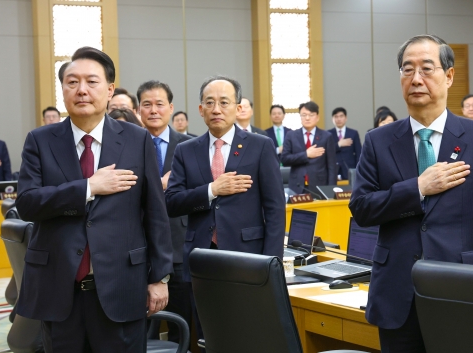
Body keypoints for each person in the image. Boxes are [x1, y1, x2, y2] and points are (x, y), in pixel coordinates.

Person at [349, 34, 473, 353]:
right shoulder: (378, 141)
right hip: (397, 295)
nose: (416, 79)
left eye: (427, 68)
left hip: (464, 291)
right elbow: (361, 208)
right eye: (407, 69)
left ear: (449, 75)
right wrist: (417, 188)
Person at [15, 46, 173, 352]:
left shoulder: (136, 139)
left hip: (122, 287)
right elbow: (28, 203)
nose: (81, 90)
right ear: (63, 89)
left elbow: (155, 211)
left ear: (110, 89)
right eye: (72, 82)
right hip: (59, 288)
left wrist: (160, 277)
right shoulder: (40, 140)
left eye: (91, 81)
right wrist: (88, 187)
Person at [165, 75, 285, 342]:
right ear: (200, 109)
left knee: (248, 335)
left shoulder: (260, 145)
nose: (216, 109)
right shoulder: (186, 150)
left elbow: (275, 209)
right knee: (210, 335)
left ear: (237, 107)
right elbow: (171, 202)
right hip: (202, 259)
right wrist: (212, 190)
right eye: (209, 102)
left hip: (249, 258)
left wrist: (271, 264)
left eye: (223, 102)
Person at [136, 80, 192, 344]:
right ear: (138, 110)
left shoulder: (190, 146)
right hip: (136, 245)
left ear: (171, 108)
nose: (153, 110)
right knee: (138, 328)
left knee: (182, 325)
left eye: (160, 104)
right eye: (147, 104)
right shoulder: (126, 145)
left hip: (179, 245)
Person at [281, 101, 338, 194]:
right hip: (296, 186)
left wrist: (331, 190)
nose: (307, 118)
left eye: (311, 115)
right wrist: (306, 154)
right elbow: (284, 159)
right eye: (304, 115)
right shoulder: (291, 135)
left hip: (319, 185)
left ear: (317, 117)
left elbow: (332, 166)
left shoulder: (327, 136)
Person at [329, 107, 362, 180]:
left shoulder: (353, 133)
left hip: (349, 169)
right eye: (336, 117)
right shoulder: (328, 134)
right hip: (334, 170)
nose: (339, 119)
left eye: (341, 116)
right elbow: (326, 151)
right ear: (332, 119)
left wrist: (357, 170)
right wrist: (338, 145)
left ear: (346, 118)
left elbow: (359, 153)